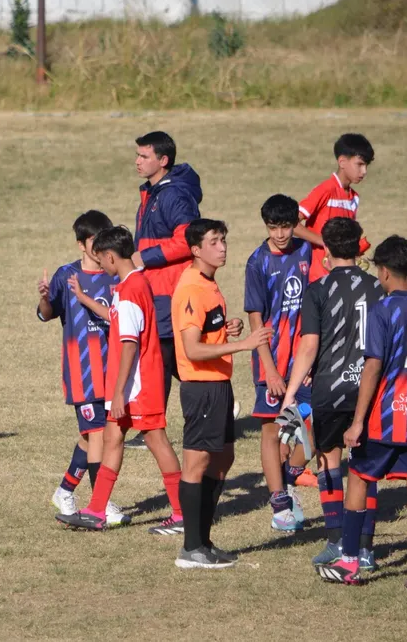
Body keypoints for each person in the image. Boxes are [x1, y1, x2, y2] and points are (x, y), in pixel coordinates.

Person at [317, 235, 407, 592]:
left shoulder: (383, 310)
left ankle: (350, 562)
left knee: (358, 478)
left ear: (384, 272)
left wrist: (357, 422)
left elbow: (372, 366)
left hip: (386, 418)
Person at [56, 226, 183, 533]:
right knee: (112, 438)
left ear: (111, 256)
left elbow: (128, 344)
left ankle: (182, 514)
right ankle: (96, 511)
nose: (99, 265)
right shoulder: (135, 282)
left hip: (137, 387)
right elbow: (113, 316)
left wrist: (119, 393)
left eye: (101, 260)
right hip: (130, 385)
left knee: (157, 442)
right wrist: (84, 298)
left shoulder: (128, 293)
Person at [281, 218, 384, 570]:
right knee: (365, 469)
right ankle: (366, 548)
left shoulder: (319, 289)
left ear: (325, 247)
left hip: (331, 390)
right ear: (359, 246)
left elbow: (308, 347)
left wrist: (290, 392)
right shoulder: (378, 287)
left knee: (329, 462)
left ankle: (337, 540)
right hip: (369, 393)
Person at [171, 218, 271, 568]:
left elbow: (206, 334)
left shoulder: (209, 285)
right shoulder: (191, 288)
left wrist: (226, 331)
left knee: (224, 459)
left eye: (223, 240)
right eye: (214, 241)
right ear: (196, 250)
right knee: (196, 464)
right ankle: (190, 548)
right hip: (201, 389)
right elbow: (192, 349)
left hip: (218, 385)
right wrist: (243, 344)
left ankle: (204, 541)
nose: (223, 247)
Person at [37, 210, 129, 526]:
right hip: (83, 372)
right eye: (93, 241)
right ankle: (98, 505)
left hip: (112, 369)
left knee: (92, 436)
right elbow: (46, 314)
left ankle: (65, 491)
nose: (99, 246)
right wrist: (47, 298)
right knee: (99, 434)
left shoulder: (115, 274)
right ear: (81, 244)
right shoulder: (65, 275)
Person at [124, 131, 202, 449]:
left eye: (144, 156)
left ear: (163, 160)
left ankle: (154, 426)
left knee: (164, 360)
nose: (138, 161)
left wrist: (145, 257)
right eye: (138, 155)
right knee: (165, 360)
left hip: (168, 291)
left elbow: (187, 239)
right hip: (154, 288)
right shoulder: (152, 192)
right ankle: (153, 426)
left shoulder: (173, 195)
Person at [243, 195, 313, 532]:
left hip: (307, 361)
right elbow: (256, 320)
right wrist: (269, 369)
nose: (281, 234)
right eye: (274, 227)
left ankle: (290, 475)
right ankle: (279, 502)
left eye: (286, 226)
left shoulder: (308, 252)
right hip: (273, 363)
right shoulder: (257, 262)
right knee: (271, 431)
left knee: (316, 429)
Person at [295, 134, 374, 282]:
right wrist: (324, 242)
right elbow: (291, 224)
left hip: (342, 278)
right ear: (342, 161)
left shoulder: (353, 198)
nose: (364, 171)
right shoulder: (325, 190)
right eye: (360, 164)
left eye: (366, 165)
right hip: (318, 279)